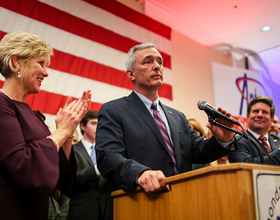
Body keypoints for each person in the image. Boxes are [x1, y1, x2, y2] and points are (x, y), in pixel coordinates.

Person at [95, 42, 236, 220]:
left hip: (181, 205)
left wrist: (222, 140)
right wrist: (139, 173)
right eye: (148, 61)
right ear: (131, 74)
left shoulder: (177, 116)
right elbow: (107, 156)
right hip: (137, 205)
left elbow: (197, 151)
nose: (157, 66)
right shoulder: (114, 110)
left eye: (159, 62)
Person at [0, 31, 91, 220]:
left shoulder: (33, 116)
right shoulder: (2, 104)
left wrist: (67, 131)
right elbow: (23, 164)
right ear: (17, 61)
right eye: (40, 63)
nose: (46, 72)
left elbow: (58, 177)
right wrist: (62, 131)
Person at [67, 110, 109, 220]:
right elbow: (69, 179)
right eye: (94, 123)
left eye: (100, 124)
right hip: (82, 211)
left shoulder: (108, 152)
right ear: (83, 126)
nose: (98, 127)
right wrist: (95, 171)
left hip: (107, 210)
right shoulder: (72, 150)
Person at [228, 96, 280, 165]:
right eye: (256, 111)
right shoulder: (237, 141)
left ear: (272, 119)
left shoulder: (278, 140)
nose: (260, 115)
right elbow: (245, 165)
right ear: (247, 116)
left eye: (265, 112)